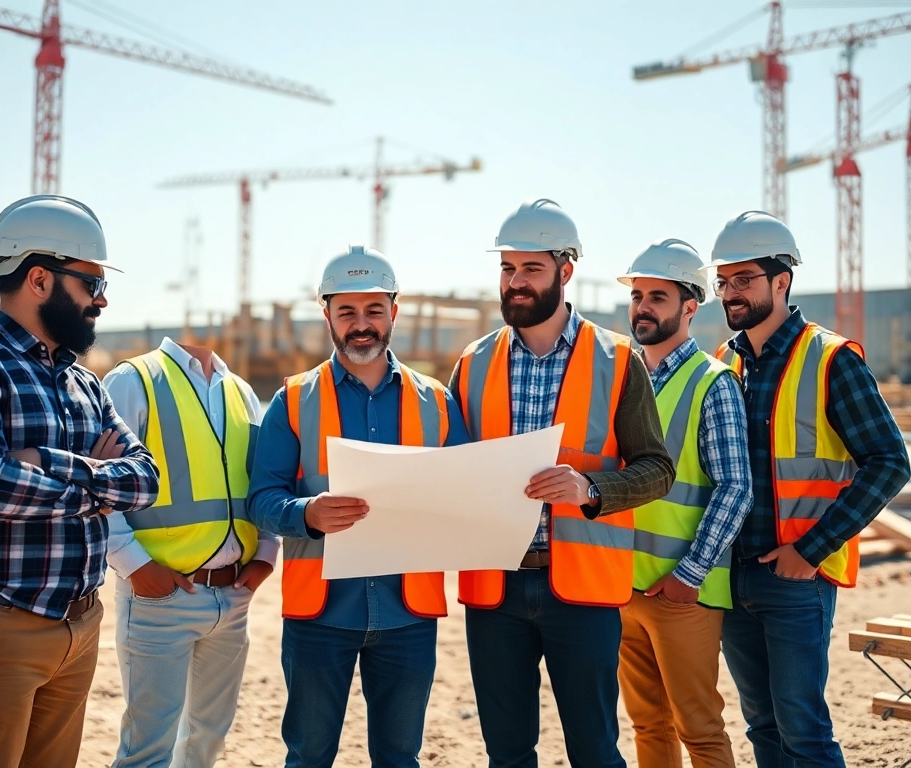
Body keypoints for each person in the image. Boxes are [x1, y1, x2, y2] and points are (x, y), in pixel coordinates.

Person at [0, 195, 159, 768]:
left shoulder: (83, 381)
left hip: (79, 625)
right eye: (90, 283)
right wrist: (98, 483)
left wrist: (46, 462)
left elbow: (144, 479)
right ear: (40, 278)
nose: (102, 299)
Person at [451, 199, 676, 768]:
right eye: (507, 269)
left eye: (531, 269)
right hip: (495, 589)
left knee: (595, 751)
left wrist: (590, 488)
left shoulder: (618, 359)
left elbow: (657, 469)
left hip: (581, 589)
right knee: (507, 752)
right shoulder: (472, 363)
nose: (516, 283)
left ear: (565, 270)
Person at [249, 245, 468, 768]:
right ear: (326, 315)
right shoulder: (293, 399)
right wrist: (307, 514)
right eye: (346, 311)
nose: (361, 324)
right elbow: (262, 500)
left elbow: (464, 492)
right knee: (308, 756)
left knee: (400, 759)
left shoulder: (437, 401)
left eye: (373, 310)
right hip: (320, 615)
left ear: (394, 312)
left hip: (408, 616)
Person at [708, 211, 910, 767]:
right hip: (734, 576)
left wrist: (810, 551)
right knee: (762, 726)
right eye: (723, 282)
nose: (730, 293)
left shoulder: (832, 358)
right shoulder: (725, 362)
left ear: (781, 280)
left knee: (804, 729)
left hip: (796, 577)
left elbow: (889, 463)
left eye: (743, 279)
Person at [102, 335, 277, 767]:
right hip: (160, 596)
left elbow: (263, 478)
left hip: (233, 596)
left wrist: (267, 553)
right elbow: (101, 482)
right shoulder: (133, 380)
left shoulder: (241, 391)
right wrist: (135, 566)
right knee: (147, 748)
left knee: (207, 740)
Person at [615, 238, 751, 768]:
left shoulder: (711, 383)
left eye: (658, 297)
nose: (643, 307)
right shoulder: (624, 377)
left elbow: (735, 487)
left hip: (681, 593)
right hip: (623, 586)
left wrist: (689, 575)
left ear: (689, 308)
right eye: (638, 296)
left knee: (699, 727)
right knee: (647, 725)